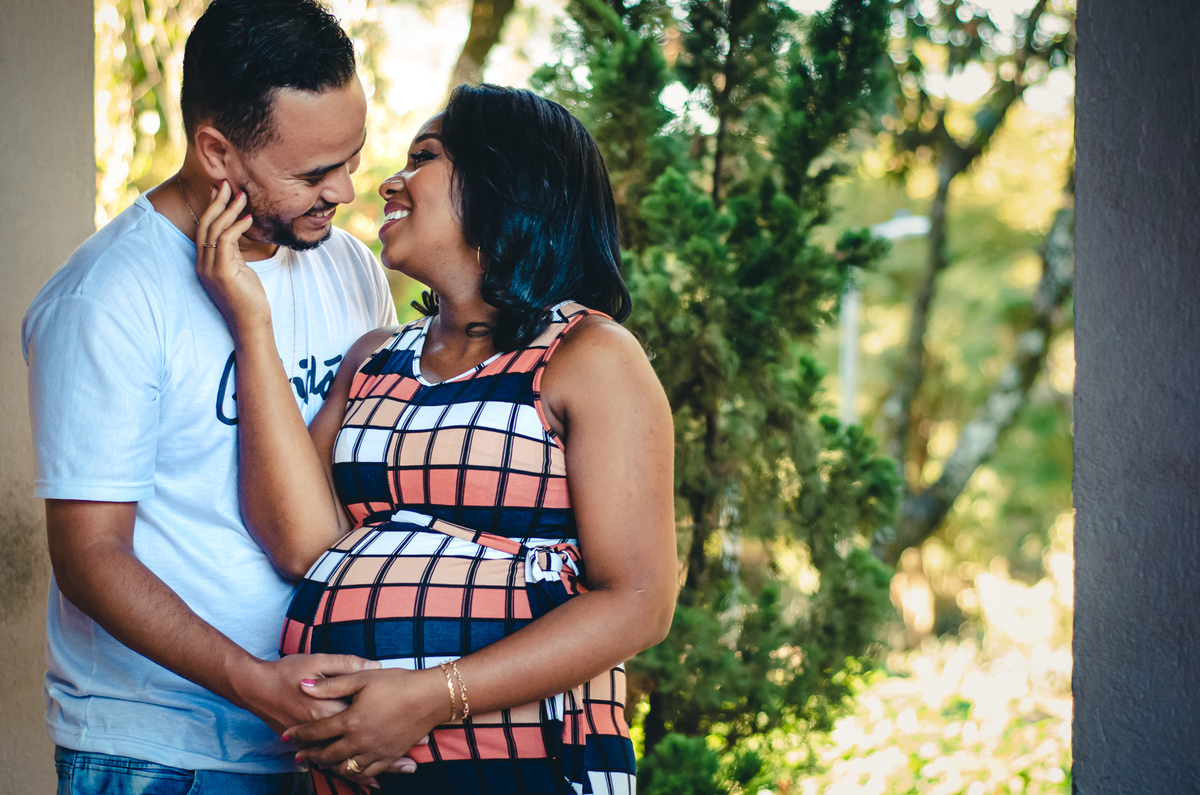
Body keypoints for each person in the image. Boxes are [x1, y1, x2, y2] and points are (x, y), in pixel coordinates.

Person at [194, 84, 678, 794]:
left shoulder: (590, 356)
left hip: (524, 765)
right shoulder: (373, 359)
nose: (390, 182)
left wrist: (431, 696)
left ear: (503, 183)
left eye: (423, 158)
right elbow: (299, 544)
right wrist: (251, 322)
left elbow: (638, 600)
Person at [22, 1, 400, 792]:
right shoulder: (107, 298)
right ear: (218, 152)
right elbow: (90, 557)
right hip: (158, 754)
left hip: (318, 749)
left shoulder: (351, 269)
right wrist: (255, 683)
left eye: (351, 158)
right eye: (312, 174)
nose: (343, 189)